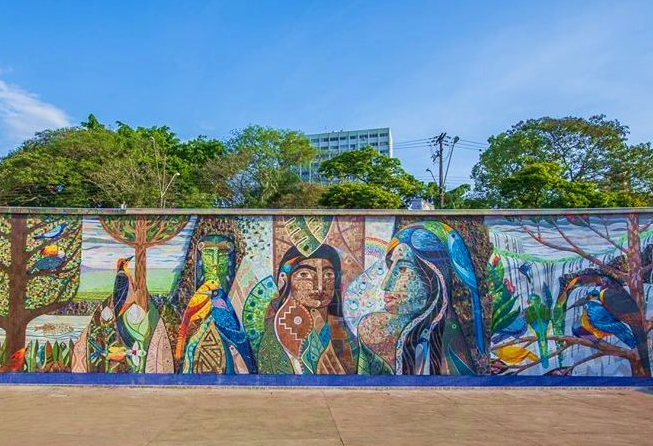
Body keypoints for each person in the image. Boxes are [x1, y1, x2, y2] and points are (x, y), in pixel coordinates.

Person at [270, 245, 357, 374]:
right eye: (304, 274)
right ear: (285, 279)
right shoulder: (274, 332)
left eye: (328, 274)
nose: (320, 287)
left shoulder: (346, 336)